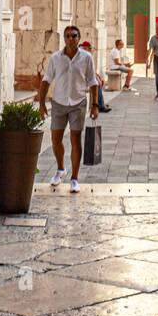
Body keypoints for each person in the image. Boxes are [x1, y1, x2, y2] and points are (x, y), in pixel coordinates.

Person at [38, 25, 99, 192]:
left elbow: (93, 83)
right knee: (55, 139)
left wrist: (95, 106)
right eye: (68, 36)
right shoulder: (56, 58)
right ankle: (60, 168)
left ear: (79, 38)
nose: (71, 39)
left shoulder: (86, 58)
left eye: (74, 36)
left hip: (78, 103)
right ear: (64, 38)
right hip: (58, 103)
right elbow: (46, 81)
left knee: (75, 139)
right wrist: (42, 104)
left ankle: (74, 178)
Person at [80, 41, 111, 113]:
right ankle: (101, 106)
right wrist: (96, 77)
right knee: (96, 84)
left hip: (86, 76)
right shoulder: (83, 56)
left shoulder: (86, 55)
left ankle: (101, 103)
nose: (91, 50)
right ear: (85, 48)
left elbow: (91, 69)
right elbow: (86, 71)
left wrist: (97, 76)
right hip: (82, 78)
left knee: (100, 81)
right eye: (90, 48)